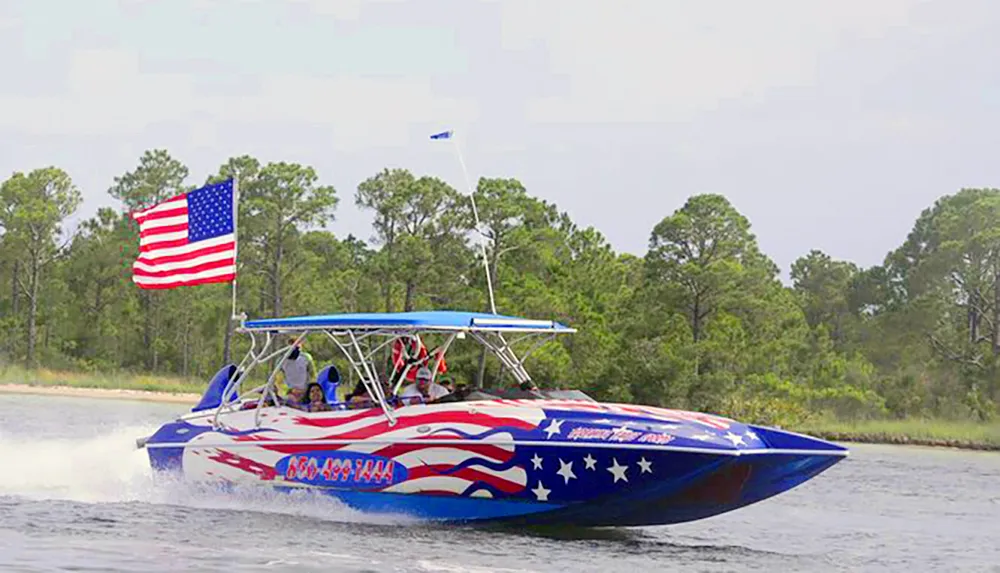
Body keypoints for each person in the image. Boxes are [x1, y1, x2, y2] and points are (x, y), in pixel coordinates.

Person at [278, 337, 316, 404]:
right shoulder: (281, 360)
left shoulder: (306, 357)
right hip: (290, 393)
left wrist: (308, 390)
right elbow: (278, 380)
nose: (296, 350)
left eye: (298, 347)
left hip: (305, 391)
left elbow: (313, 375)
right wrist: (289, 390)